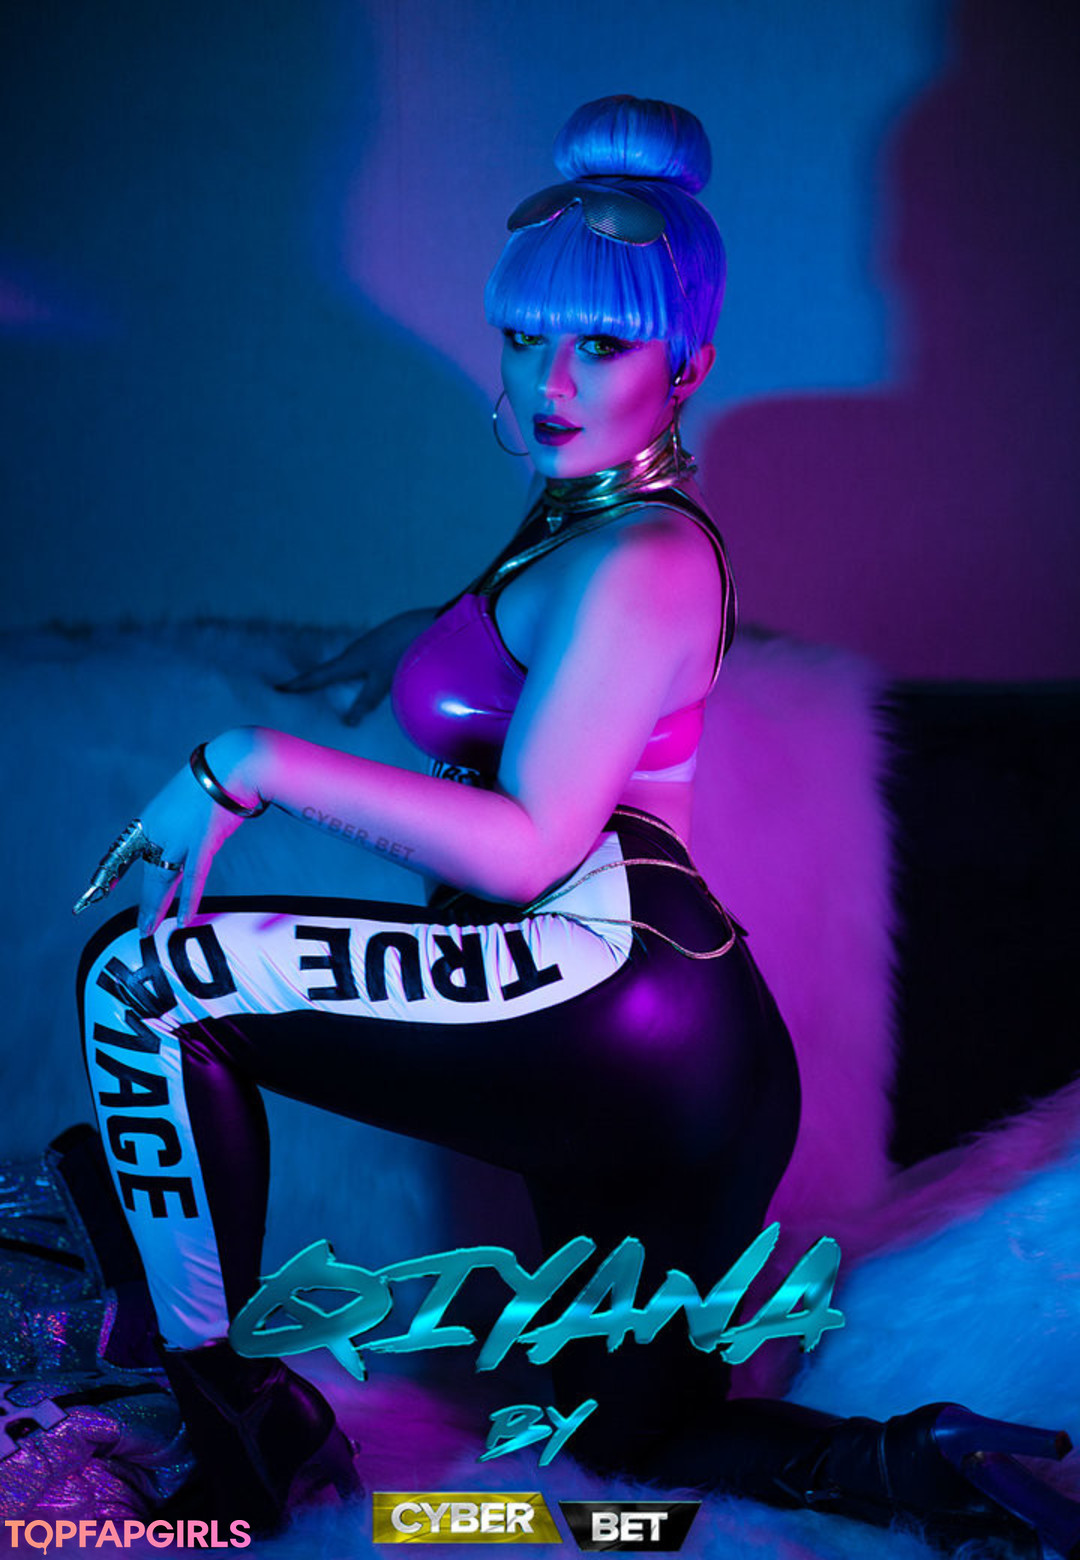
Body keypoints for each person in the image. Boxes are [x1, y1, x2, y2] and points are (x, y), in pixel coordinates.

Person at [73, 97, 1079, 1555]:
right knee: (632, 1460)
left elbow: (534, 843)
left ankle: (237, 1438)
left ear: (690, 367)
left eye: (601, 345)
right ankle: (922, 1467)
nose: (551, 381)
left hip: (600, 989)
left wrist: (250, 761)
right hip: (677, 1044)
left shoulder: (642, 558)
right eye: (523, 337)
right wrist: (413, 649)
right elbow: (540, 657)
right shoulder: (590, 521)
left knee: (144, 983)